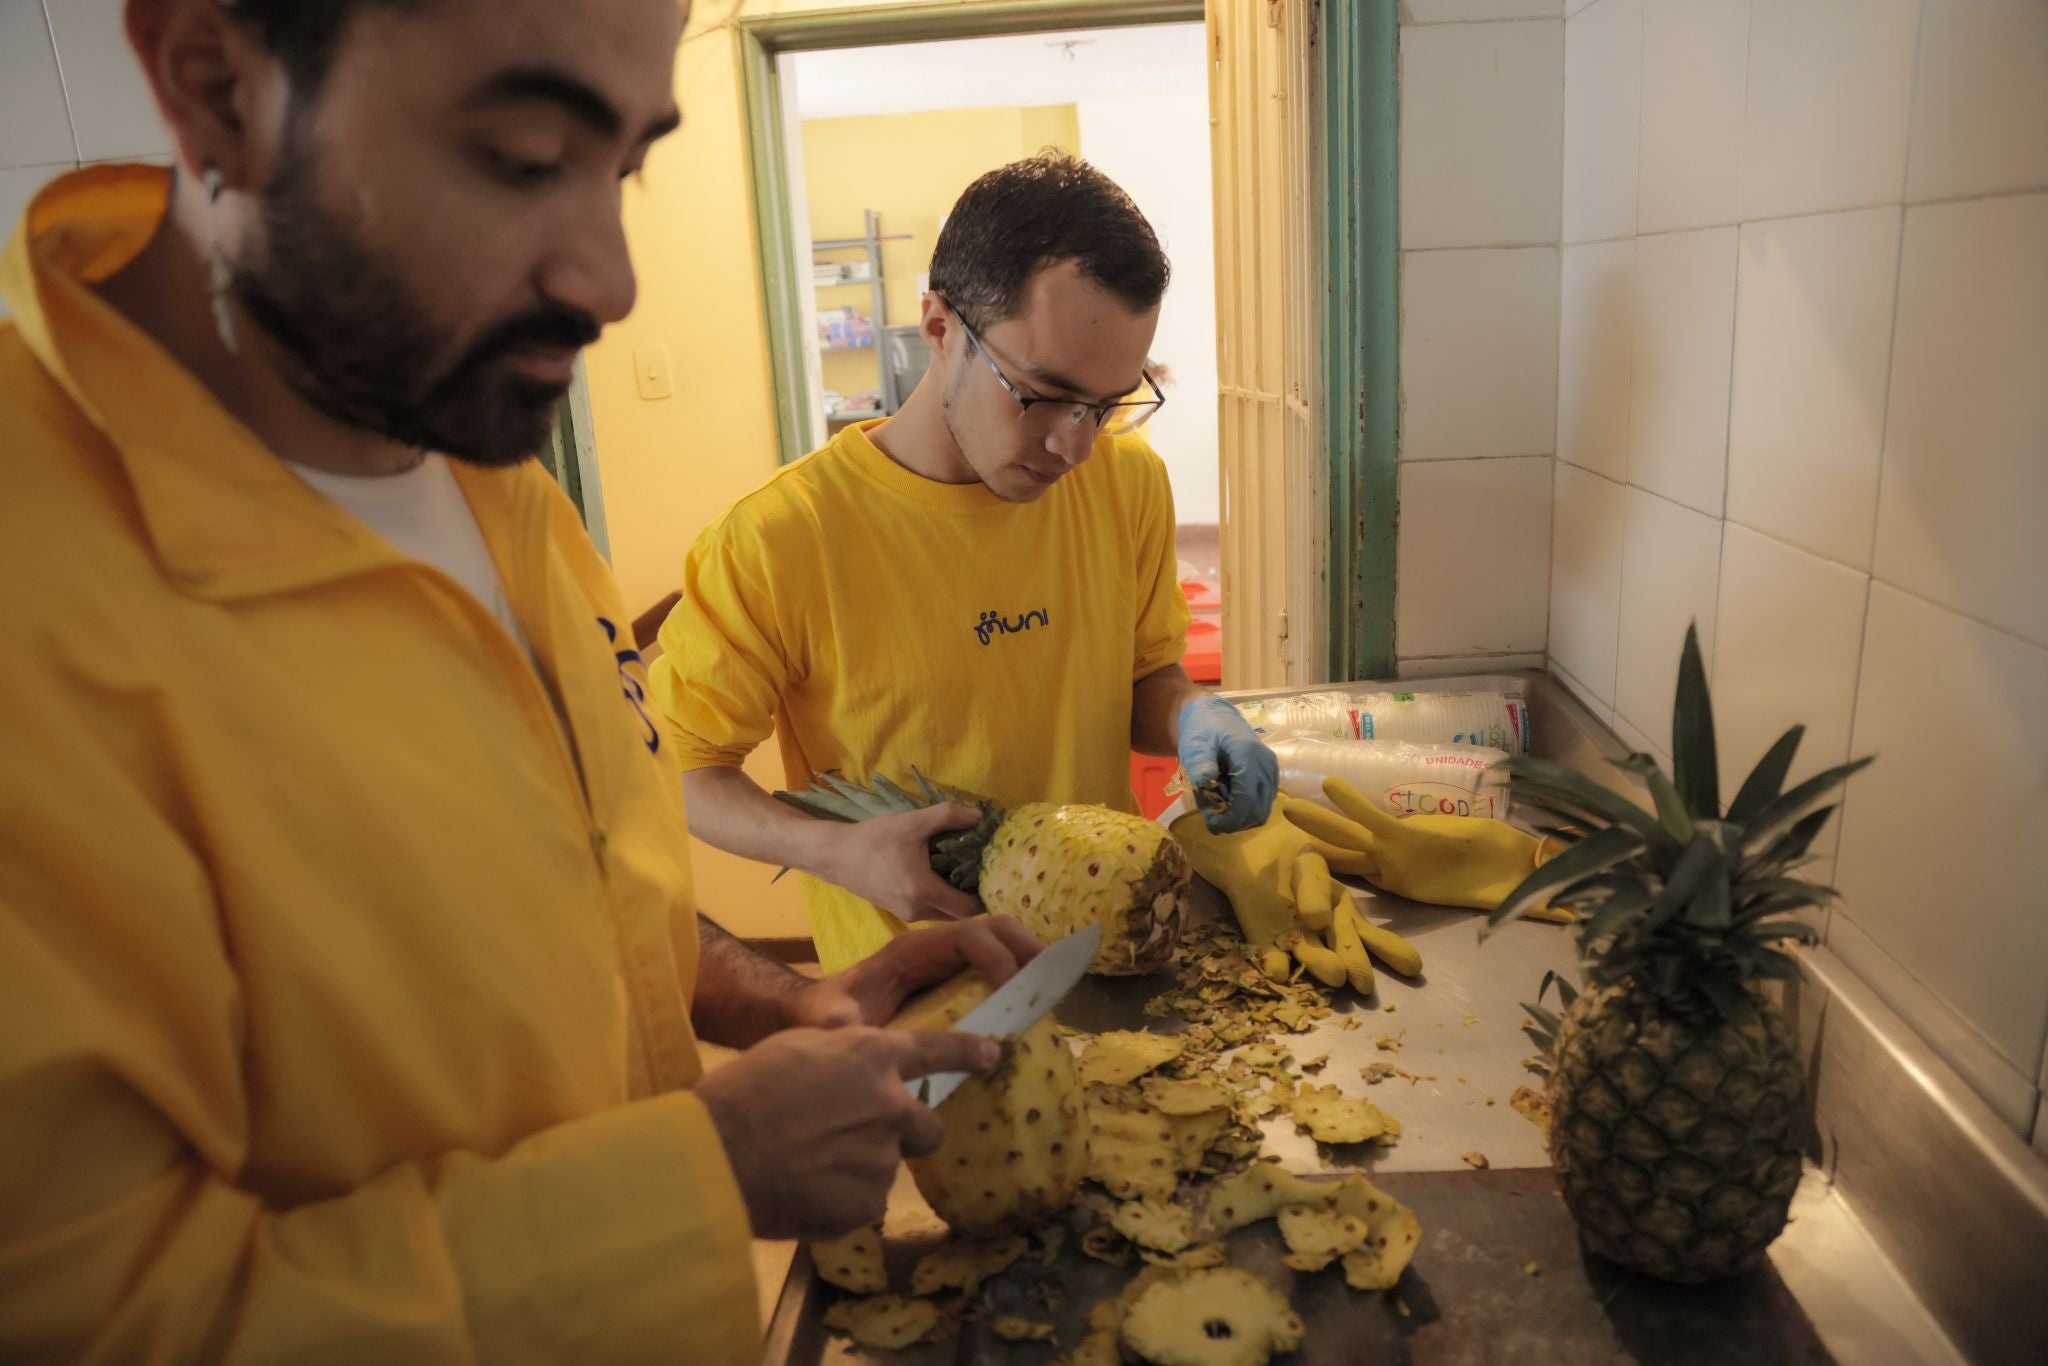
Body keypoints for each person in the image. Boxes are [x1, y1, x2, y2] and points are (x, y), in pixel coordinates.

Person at [0, 1, 1036, 1360]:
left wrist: (791, 1006)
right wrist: (700, 1176)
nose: (611, 282)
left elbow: (582, 900)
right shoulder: (39, 612)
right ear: (214, 84)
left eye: (626, 167)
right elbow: (87, 1320)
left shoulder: (493, 480)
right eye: (523, 157)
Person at [652, 154, 1279, 974]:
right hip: (916, 992)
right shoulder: (777, 540)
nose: (1074, 445)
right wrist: (832, 852)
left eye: (1106, 404)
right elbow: (682, 769)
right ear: (940, 325)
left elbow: (1142, 677)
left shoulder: (1127, 481)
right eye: (1043, 395)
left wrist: (1189, 712)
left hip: (1117, 949)